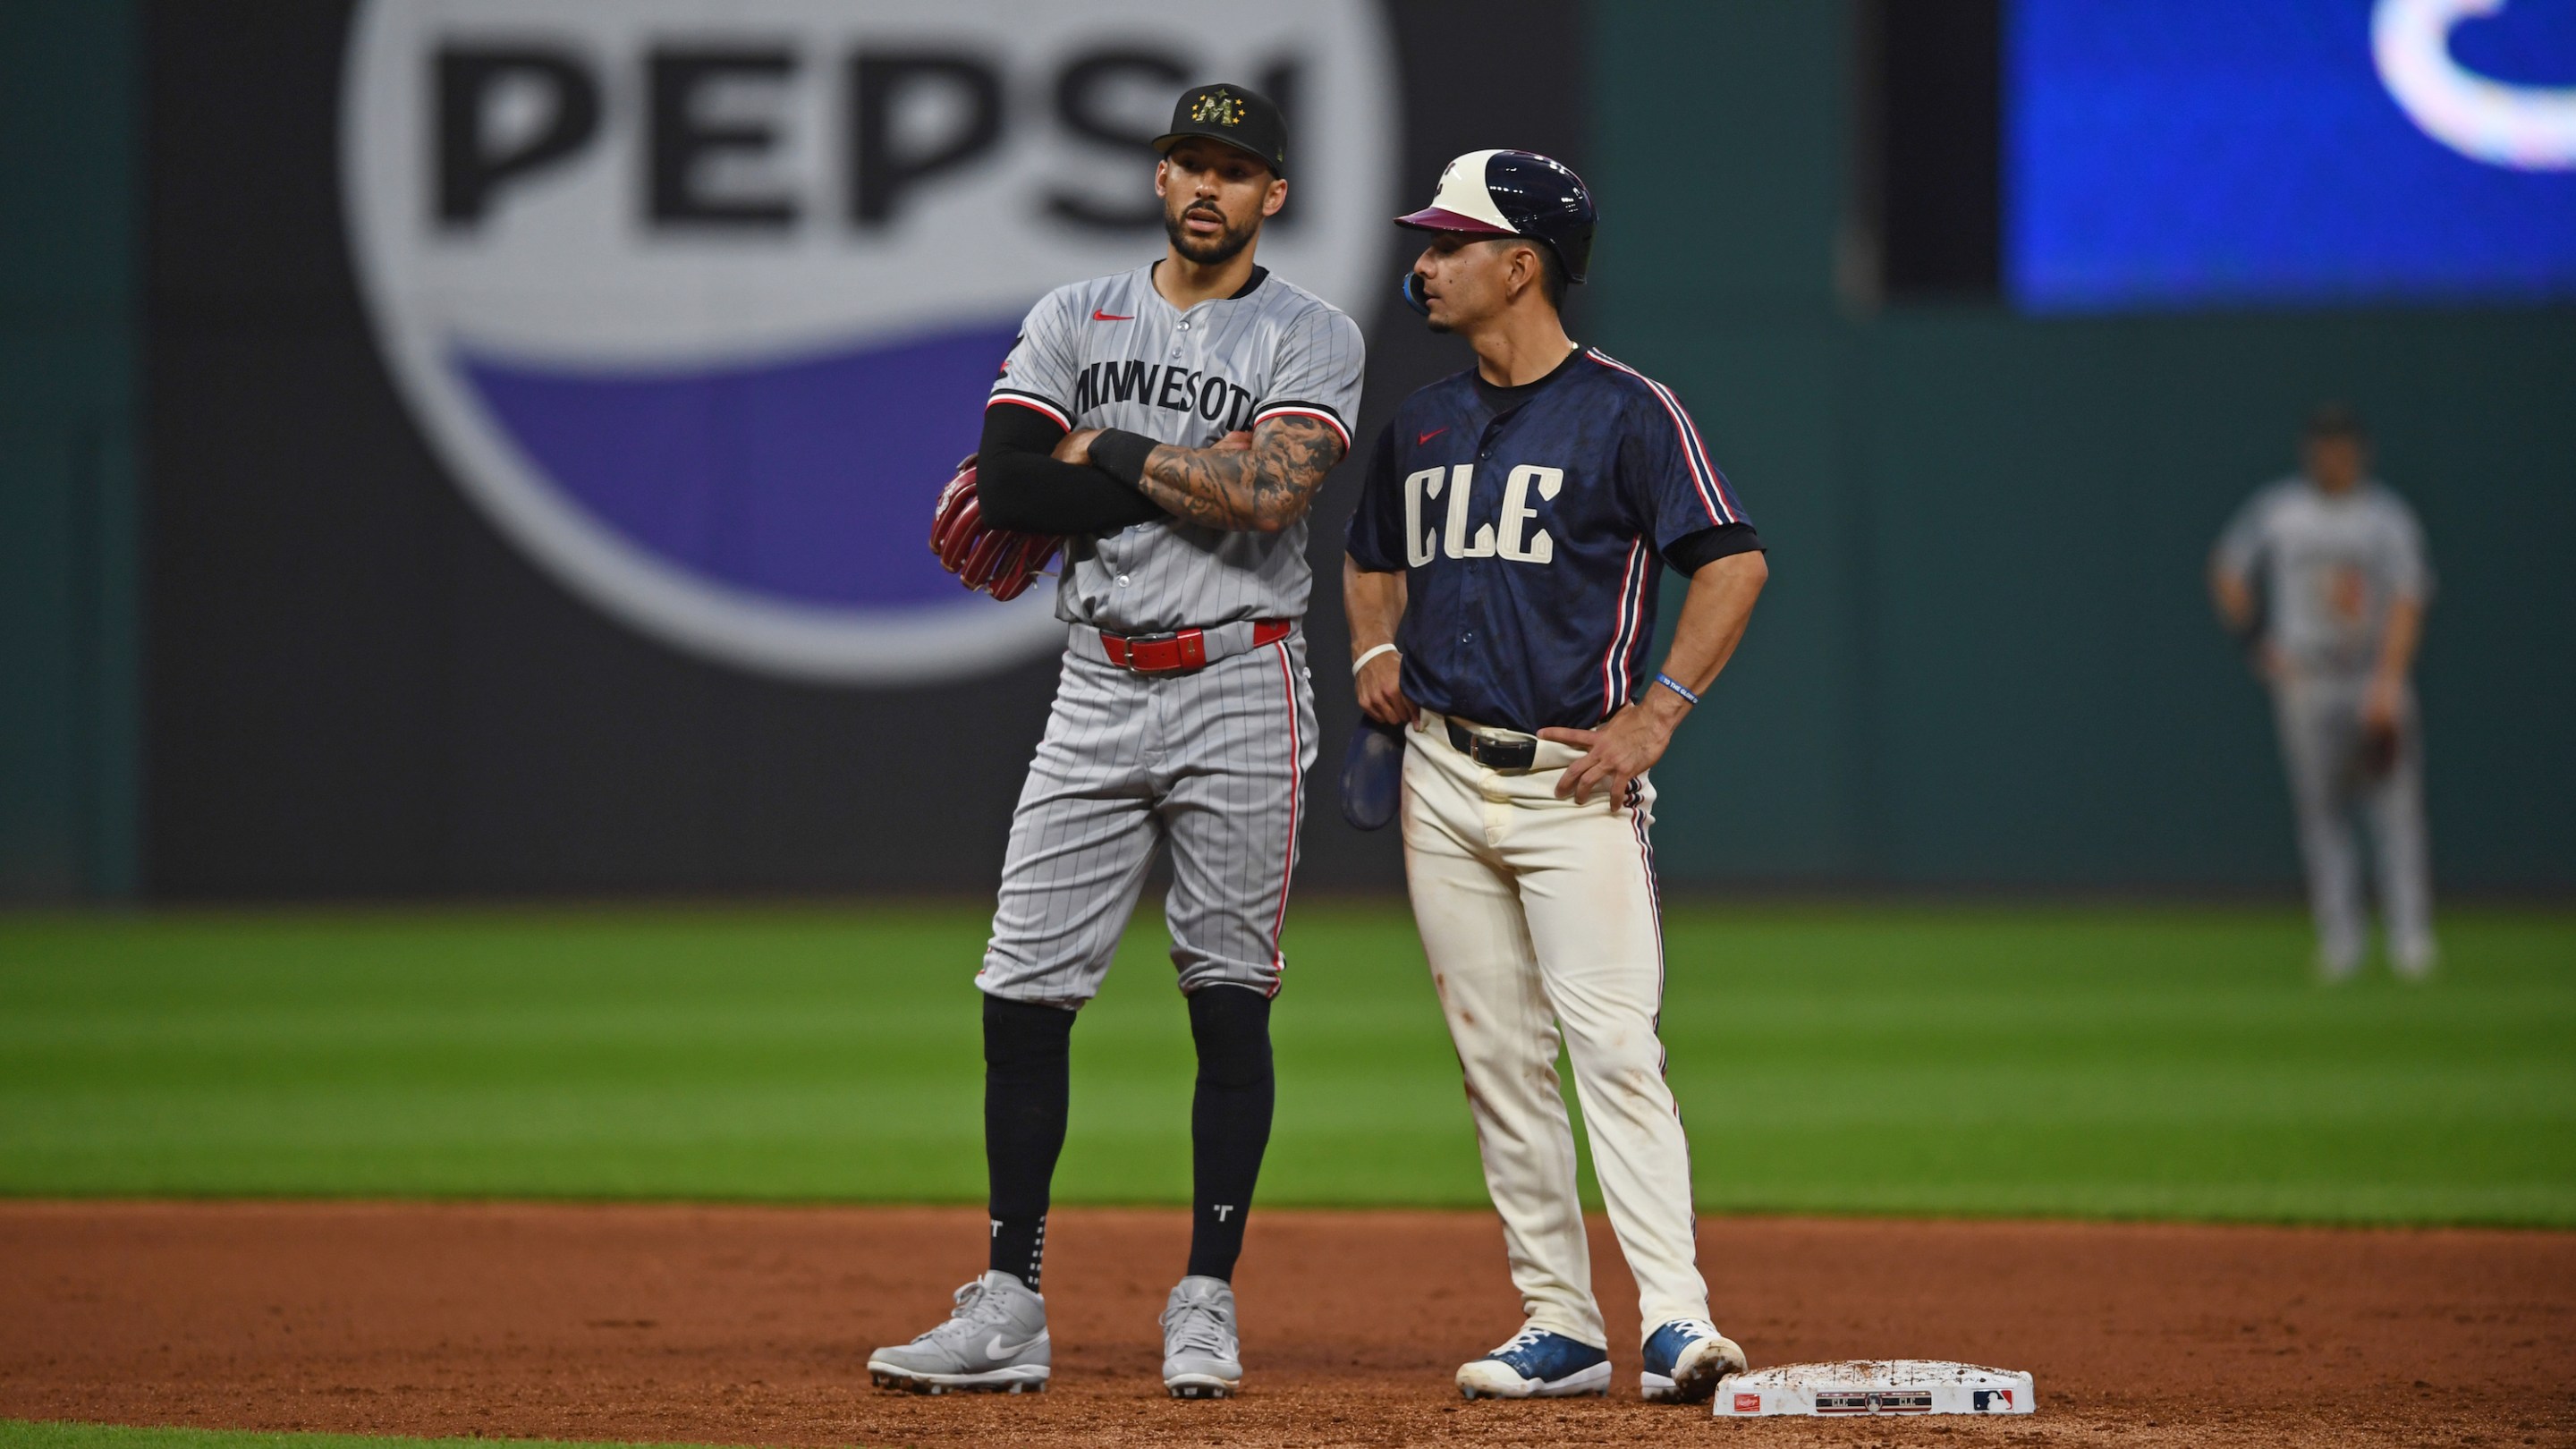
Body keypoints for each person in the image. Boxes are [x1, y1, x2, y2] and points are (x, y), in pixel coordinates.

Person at [867, 81, 1364, 1400]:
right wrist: (1173, 462)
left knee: (1228, 996)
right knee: (1021, 993)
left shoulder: (1313, 334)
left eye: (1234, 169)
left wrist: (1116, 440)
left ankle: (1205, 1298)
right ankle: (1011, 1298)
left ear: (1275, 196)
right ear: (1159, 182)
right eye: (1187, 164)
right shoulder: (1073, 315)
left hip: (1243, 681)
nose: (1207, 186)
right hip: (1097, 680)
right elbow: (1015, 482)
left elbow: (1270, 496)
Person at [1343, 150, 1767, 1404]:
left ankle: (1678, 1321)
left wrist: (1661, 712)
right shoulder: (1419, 420)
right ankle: (1561, 1323)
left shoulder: (1631, 411)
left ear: (1519, 264)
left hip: (1572, 783)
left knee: (1614, 1050)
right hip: (1441, 774)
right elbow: (1373, 555)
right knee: (1498, 1059)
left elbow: (1732, 562)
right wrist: (1375, 641)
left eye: (1449, 242)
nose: (1422, 262)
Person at [2210, 404, 2436, 979]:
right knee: (2320, 814)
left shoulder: (2386, 517)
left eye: (2342, 445)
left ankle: (2410, 939)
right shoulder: (2282, 510)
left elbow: (2409, 599)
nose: (2332, 455)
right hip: (2307, 675)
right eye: (2323, 445)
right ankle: (2342, 941)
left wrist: (2389, 682)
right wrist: (2256, 636)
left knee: (2394, 812)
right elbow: (2227, 568)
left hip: (2369, 674)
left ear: (2361, 451)